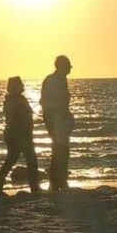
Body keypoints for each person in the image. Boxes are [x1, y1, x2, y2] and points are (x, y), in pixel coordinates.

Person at [0, 76, 40, 195]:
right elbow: (19, 118)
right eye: (20, 84)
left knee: (15, 160)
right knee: (28, 160)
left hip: (19, 134)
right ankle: (34, 187)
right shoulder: (14, 101)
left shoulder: (16, 99)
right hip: (18, 135)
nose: (23, 86)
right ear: (14, 87)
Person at [40, 55, 74, 192]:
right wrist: (53, 120)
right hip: (56, 118)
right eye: (69, 65)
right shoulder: (54, 80)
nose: (71, 68)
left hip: (57, 118)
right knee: (61, 149)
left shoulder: (59, 79)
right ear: (62, 66)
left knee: (60, 148)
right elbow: (50, 102)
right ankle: (58, 180)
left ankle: (57, 180)